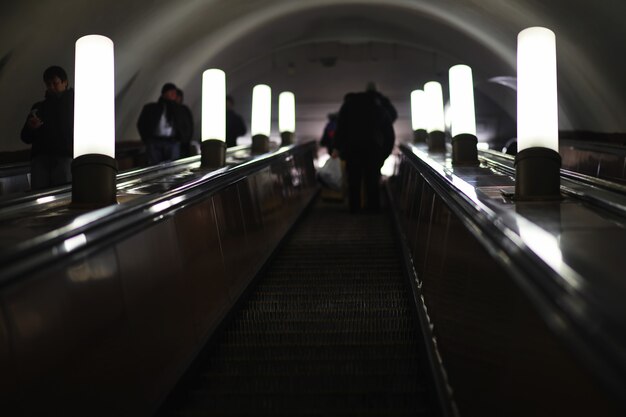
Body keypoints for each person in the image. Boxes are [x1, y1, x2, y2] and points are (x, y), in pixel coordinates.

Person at [334, 86, 395, 213]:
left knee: (354, 180)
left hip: (352, 150)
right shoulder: (378, 109)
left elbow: (340, 130)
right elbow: (389, 134)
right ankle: (373, 209)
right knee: (372, 180)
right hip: (373, 150)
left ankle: (354, 208)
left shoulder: (347, 108)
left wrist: (338, 149)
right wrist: (384, 154)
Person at [21, 65, 74, 190]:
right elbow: (25, 137)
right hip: (42, 158)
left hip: (64, 157)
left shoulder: (76, 105)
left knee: (62, 194)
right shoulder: (39, 107)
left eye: (55, 83)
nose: (51, 87)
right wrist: (31, 128)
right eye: (48, 84)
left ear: (65, 82)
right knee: (42, 195)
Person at [137, 82, 188, 164]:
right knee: (155, 168)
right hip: (155, 142)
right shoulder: (151, 108)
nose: (173, 94)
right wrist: (147, 139)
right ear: (164, 93)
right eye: (171, 92)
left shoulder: (180, 109)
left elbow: (186, 125)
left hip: (173, 142)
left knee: (173, 168)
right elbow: (141, 124)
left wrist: (182, 139)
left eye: (175, 92)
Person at [175, 88, 194, 157]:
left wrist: (187, 137)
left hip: (184, 141)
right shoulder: (173, 108)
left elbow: (189, 125)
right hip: (176, 140)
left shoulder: (184, 109)